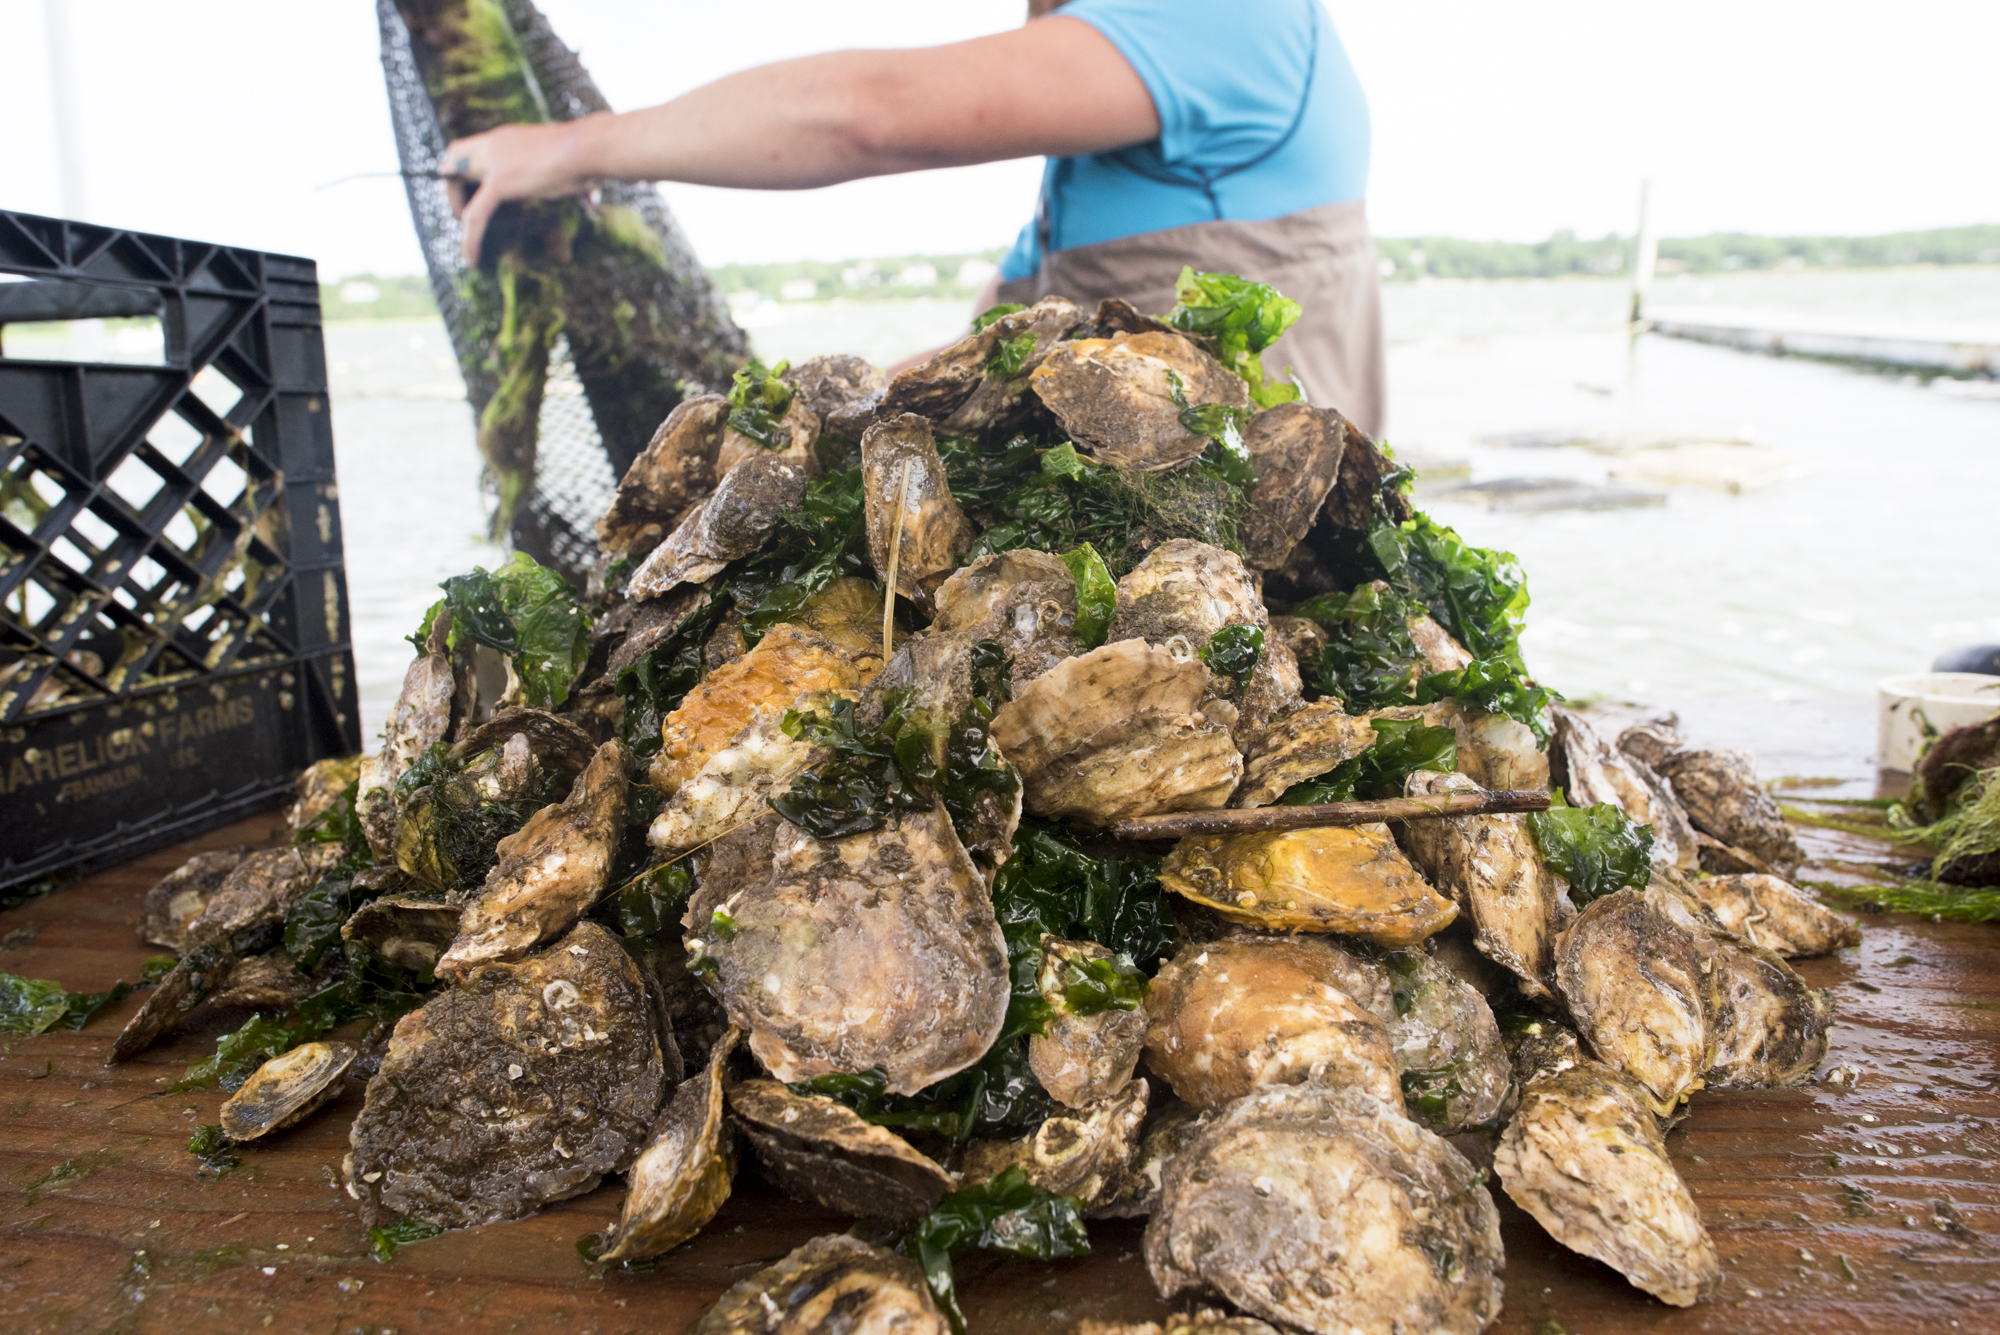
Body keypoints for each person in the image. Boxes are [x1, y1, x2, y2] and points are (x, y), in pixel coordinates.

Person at [444, 0, 1383, 435]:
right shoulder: (1094, 185)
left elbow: (874, 116)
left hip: (1256, 605)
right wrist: (800, 412)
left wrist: (572, 147)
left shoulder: (1231, 16)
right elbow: (987, 356)